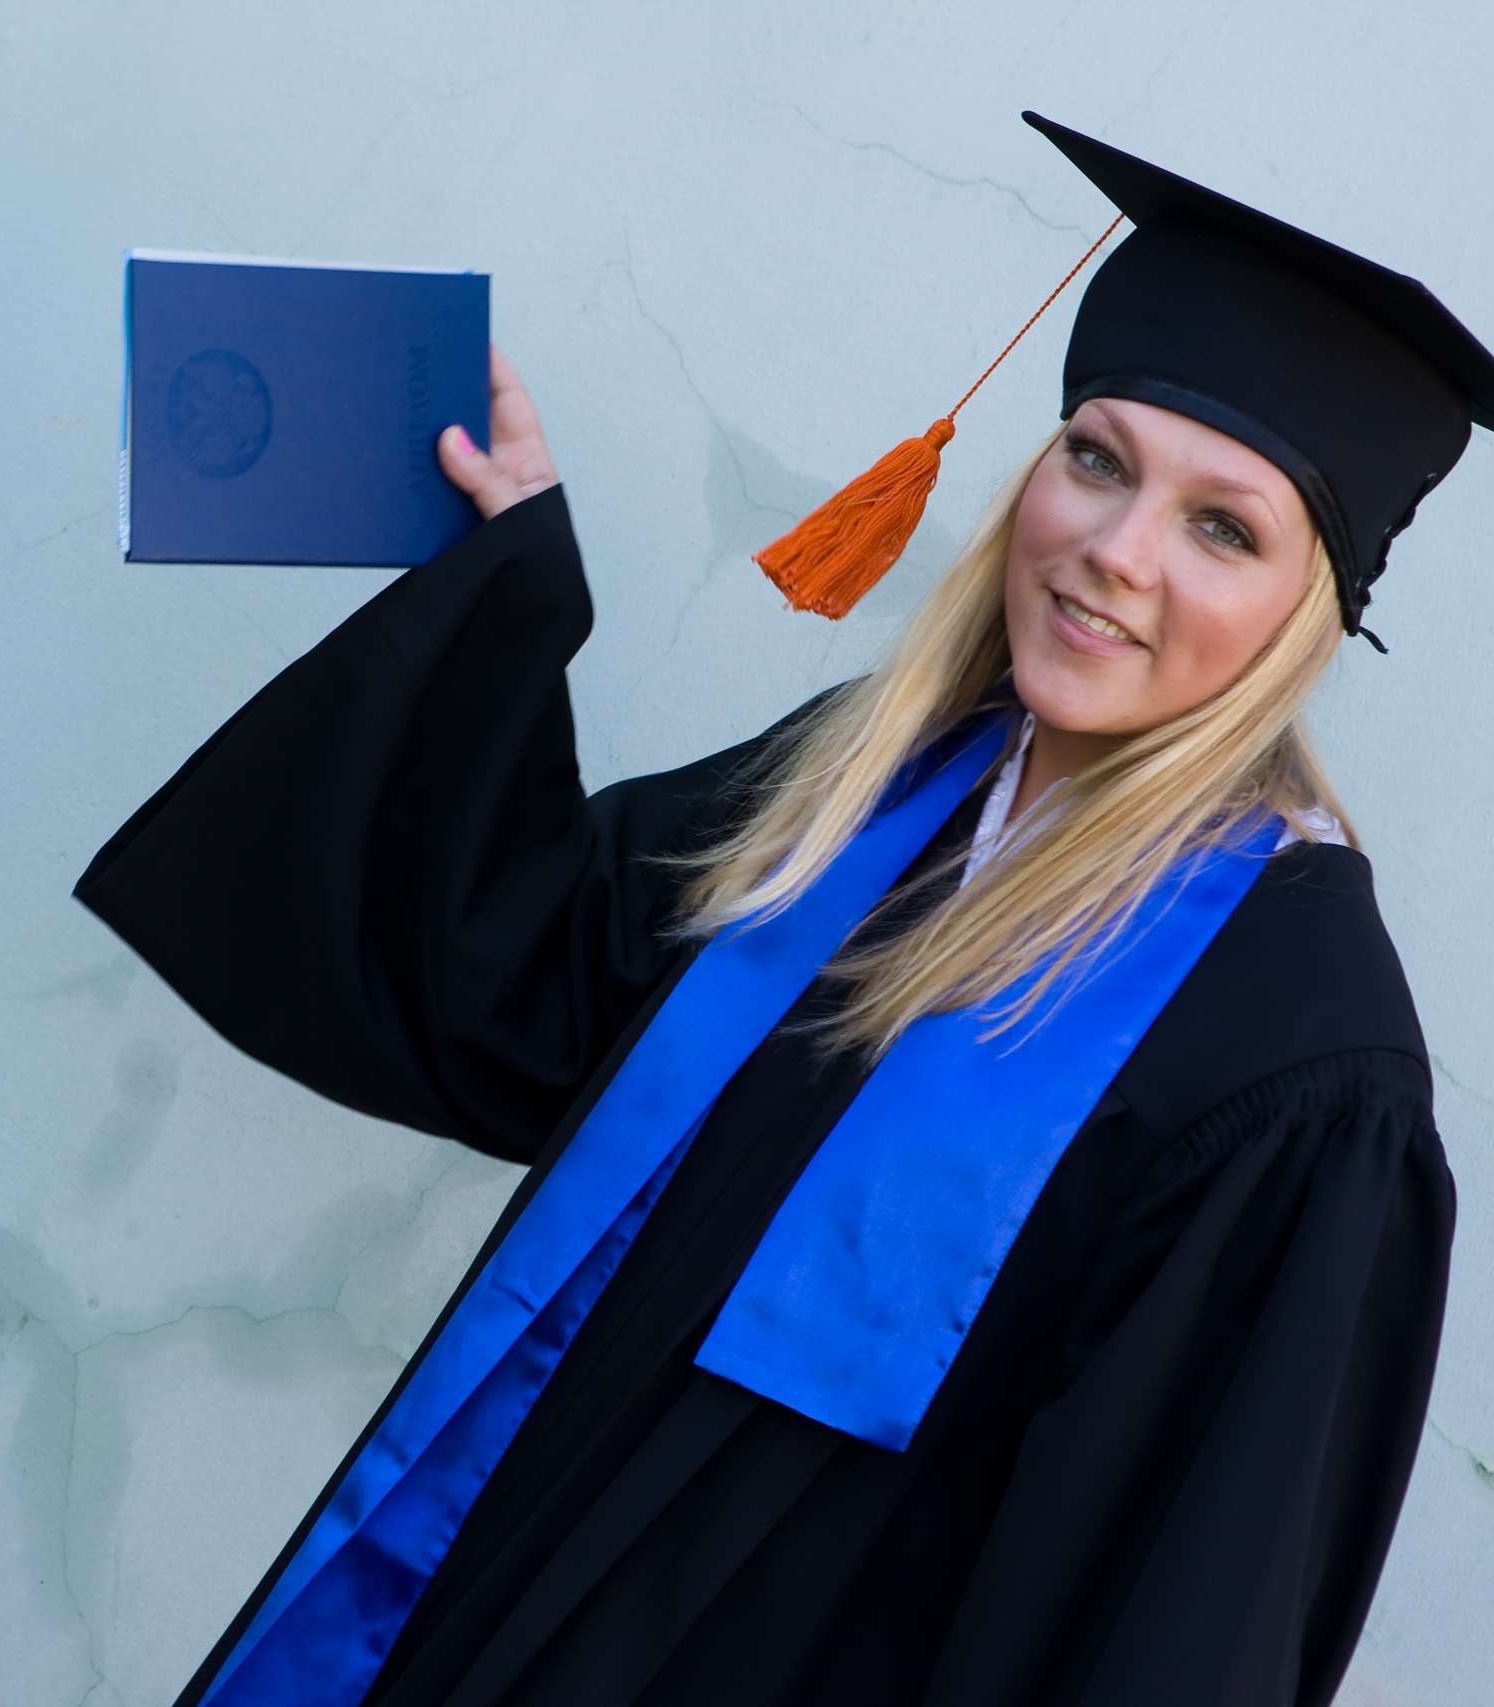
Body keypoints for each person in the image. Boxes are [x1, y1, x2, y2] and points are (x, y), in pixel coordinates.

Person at [80, 114, 1488, 1706]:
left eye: (1223, 527)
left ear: (1311, 611)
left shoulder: (1301, 1067)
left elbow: (1172, 1638)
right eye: (1098, 458)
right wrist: (501, 585)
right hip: (484, 1612)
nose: (1116, 552)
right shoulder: (882, 790)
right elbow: (524, 985)